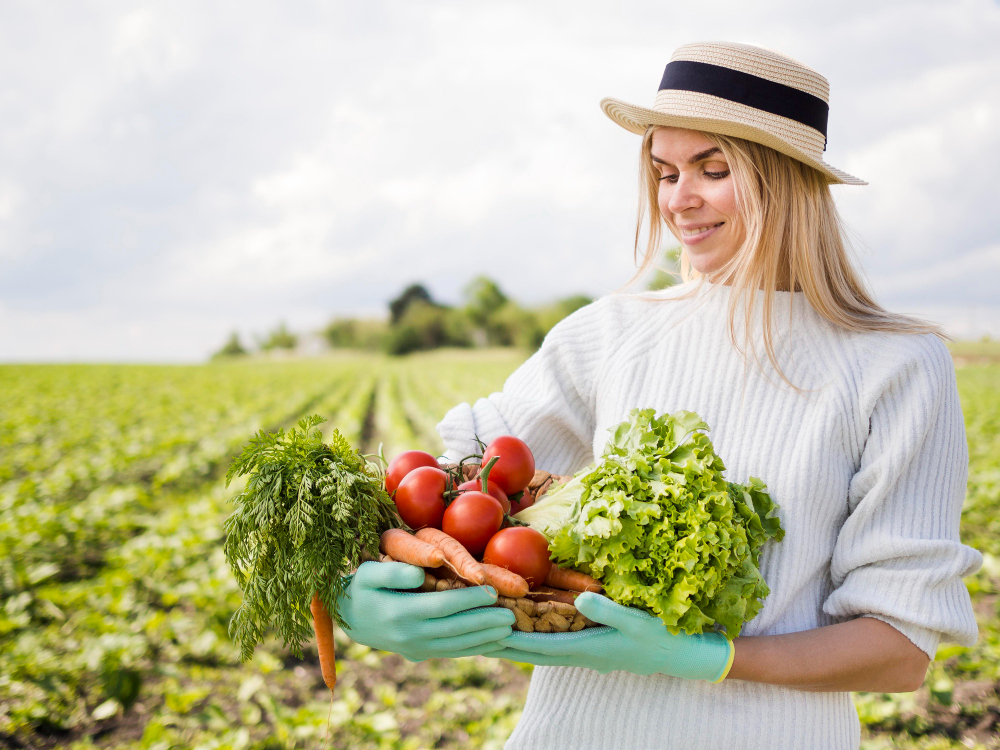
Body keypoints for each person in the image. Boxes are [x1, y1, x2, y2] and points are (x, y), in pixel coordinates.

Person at [338, 41, 982, 749]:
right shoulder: (610, 333)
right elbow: (446, 485)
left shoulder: (896, 366)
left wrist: (711, 660)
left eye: (714, 168)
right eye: (666, 172)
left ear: (789, 180)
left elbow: (899, 649)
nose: (679, 198)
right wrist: (352, 585)